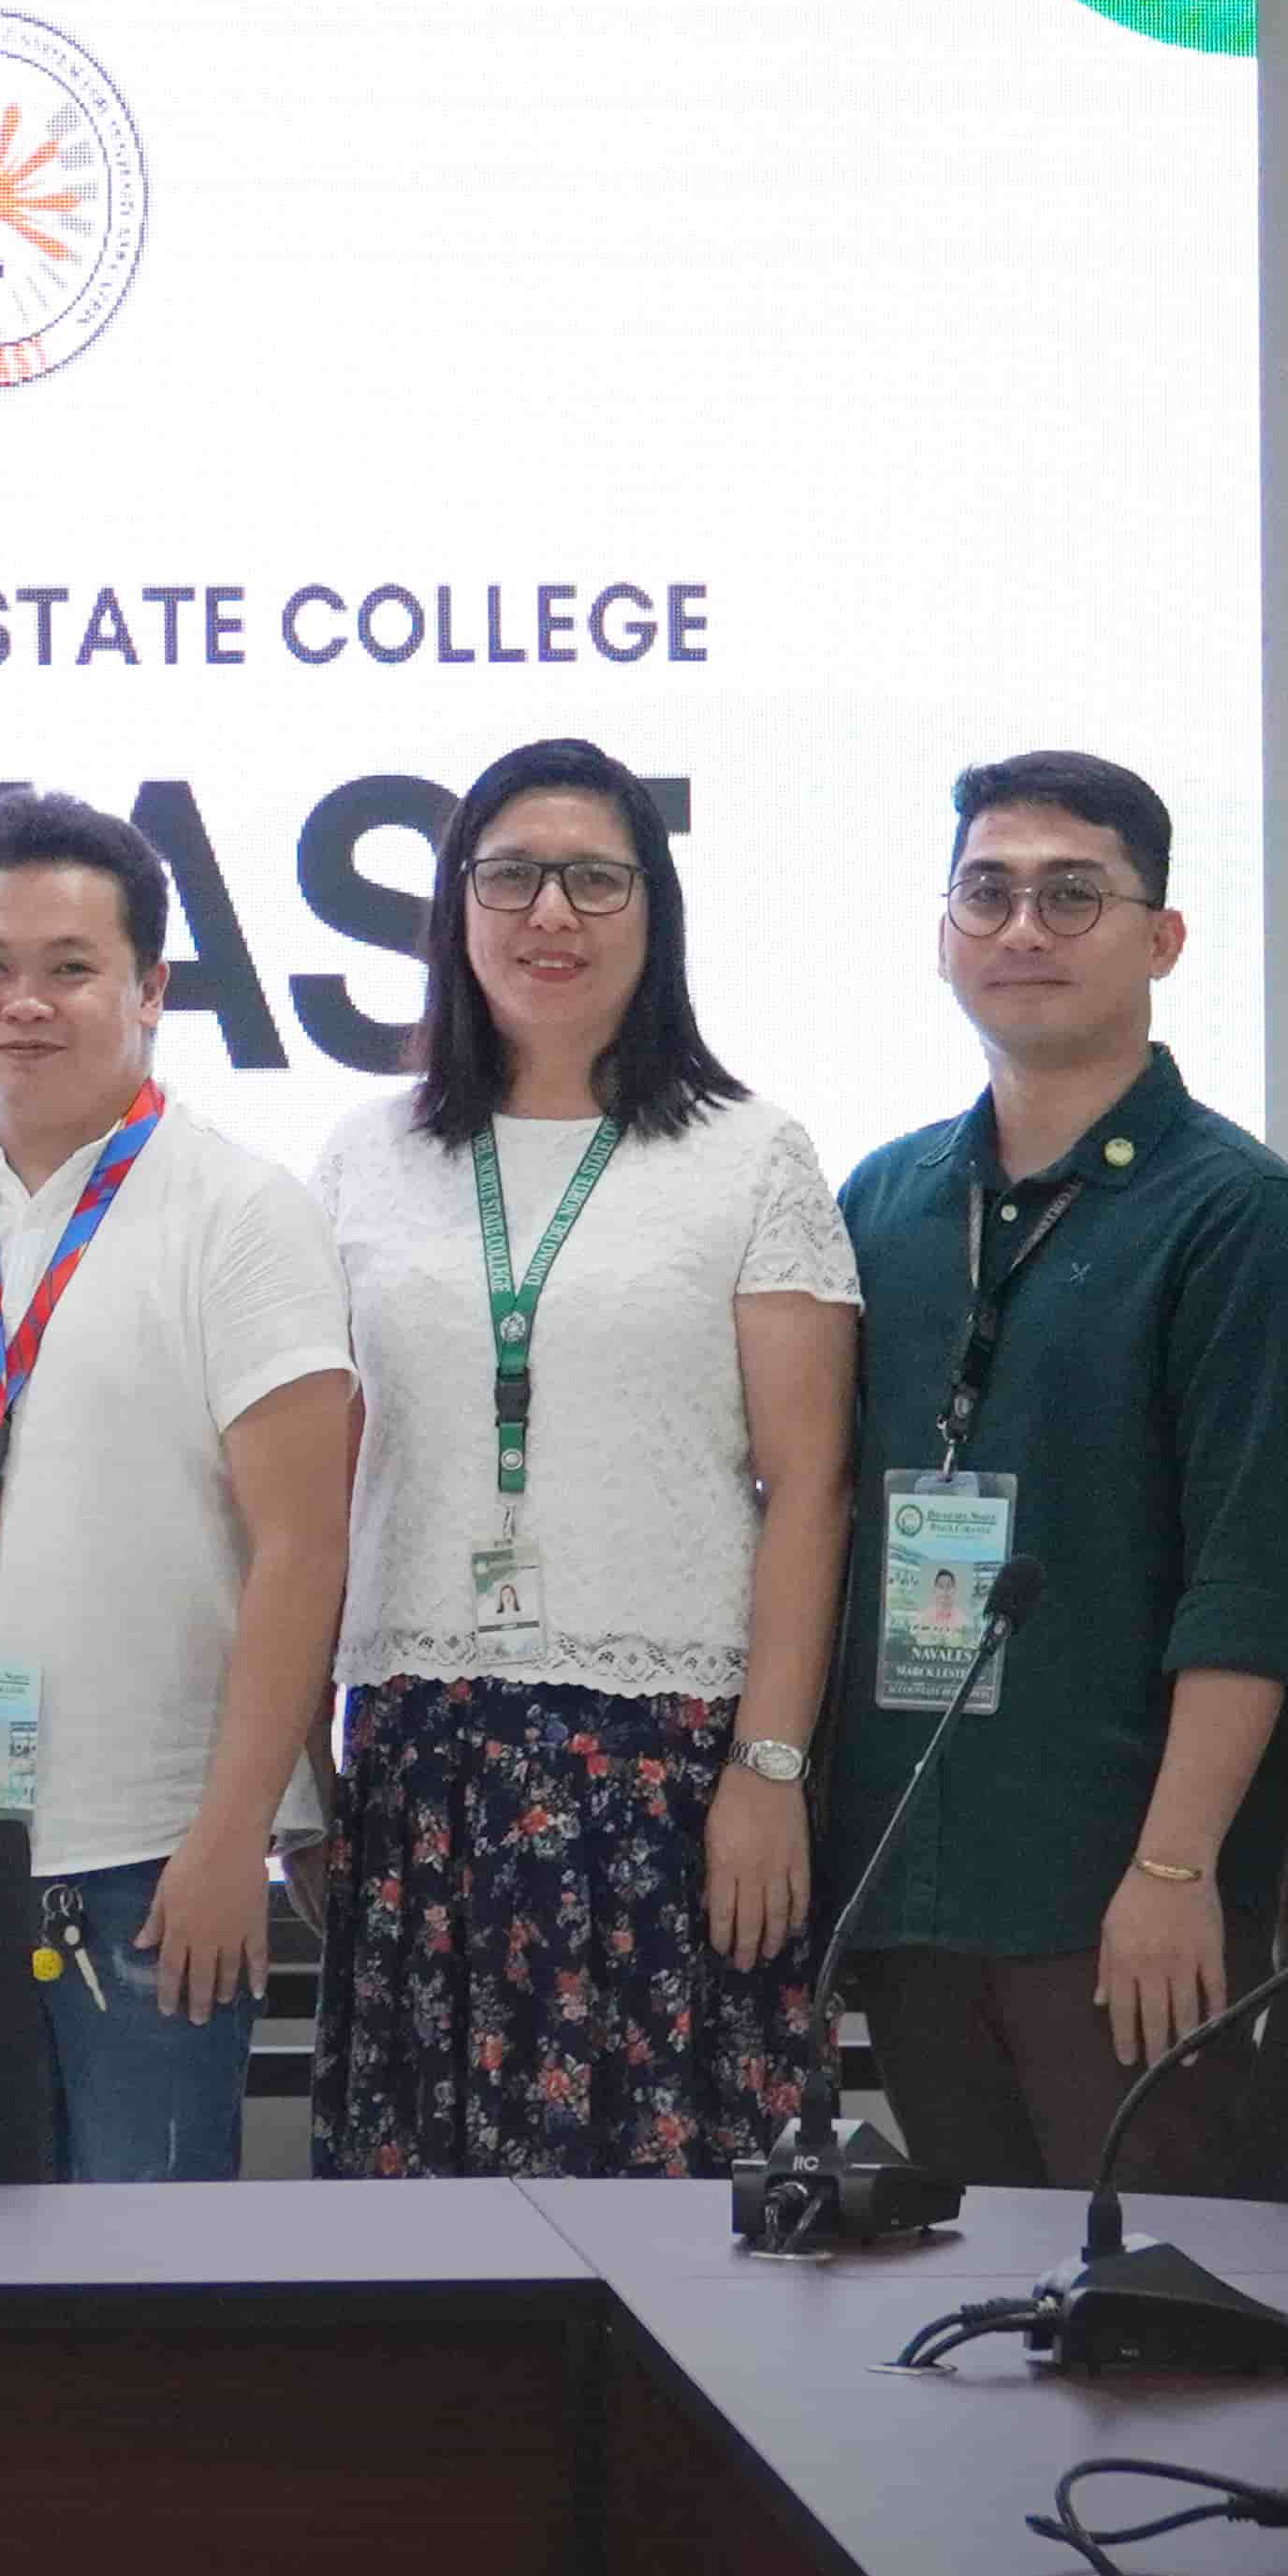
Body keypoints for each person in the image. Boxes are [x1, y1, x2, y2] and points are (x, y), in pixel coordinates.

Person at [307, 739, 856, 2179]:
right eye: (512, 876)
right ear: (457, 911)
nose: (551, 914)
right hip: (422, 1767)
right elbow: (315, 1495)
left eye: (596, 879)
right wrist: (305, 1768)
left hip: (669, 1775)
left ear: (652, 910)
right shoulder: (365, 1159)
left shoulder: (751, 1153)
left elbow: (810, 1488)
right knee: (424, 2242)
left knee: (676, 2235)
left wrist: (772, 1769)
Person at [0, 790, 356, 2183]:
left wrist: (235, 1834)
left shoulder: (242, 1213)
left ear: (151, 989)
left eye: (71, 967)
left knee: (151, 2298)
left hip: (158, 1861)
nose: (25, 1004)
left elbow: (303, 1547)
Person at [822, 752, 1288, 2195]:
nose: (1023, 928)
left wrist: (1175, 1875)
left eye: (1072, 894)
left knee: (1152, 2321)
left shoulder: (1239, 1220)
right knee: (973, 2325)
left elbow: (1253, 1579)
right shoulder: (882, 1201)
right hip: (913, 1882)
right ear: (943, 934)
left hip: (1119, 1897)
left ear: (1163, 939)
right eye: (986, 893)